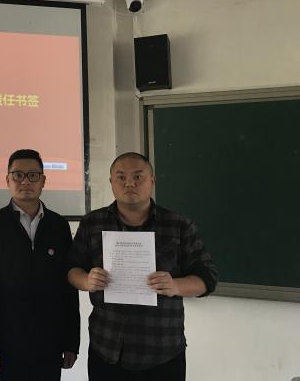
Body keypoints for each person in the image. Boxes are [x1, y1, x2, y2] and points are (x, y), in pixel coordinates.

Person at [68, 152, 218, 381]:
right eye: (121, 177)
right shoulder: (92, 223)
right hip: (106, 349)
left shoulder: (178, 225)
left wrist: (175, 286)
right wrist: (86, 281)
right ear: (111, 182)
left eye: (138, 177)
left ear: (152, 181)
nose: (129, 183)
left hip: (162, 352)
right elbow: (72, 269)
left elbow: (208, 278)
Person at [0, 149, 80, 381]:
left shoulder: (58, 226)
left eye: (33, 175)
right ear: (7, 180)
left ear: (43, 181)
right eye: (18, 175)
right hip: (4, 348)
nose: (25, 181)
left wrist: (71, 342)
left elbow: (68, 289)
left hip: (49, 345)